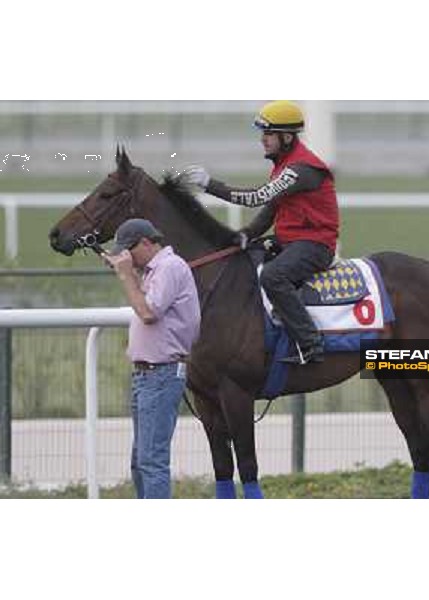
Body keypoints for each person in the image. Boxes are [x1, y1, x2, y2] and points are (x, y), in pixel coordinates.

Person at [181, 100, 339, 365]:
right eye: (262, 134)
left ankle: (310, 344)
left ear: (287, 137)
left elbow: (256, 197)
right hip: (291, 241)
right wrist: (249, 233)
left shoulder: (301, 169)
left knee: (273, 276)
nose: (263, 140)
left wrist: (211, 185)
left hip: (315, 246)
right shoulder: (284, 164)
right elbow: (272, 208)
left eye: (268, 134)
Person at [102, 218, 200, 499]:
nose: (127, 257)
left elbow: (148, 313)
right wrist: (130, 273)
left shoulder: (170, 267)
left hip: (160, 374)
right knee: (140, 462)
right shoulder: (155, 270)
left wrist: (126, 276)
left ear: (146, 242)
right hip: (148, 376)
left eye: (129, 250)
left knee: (151, 462)